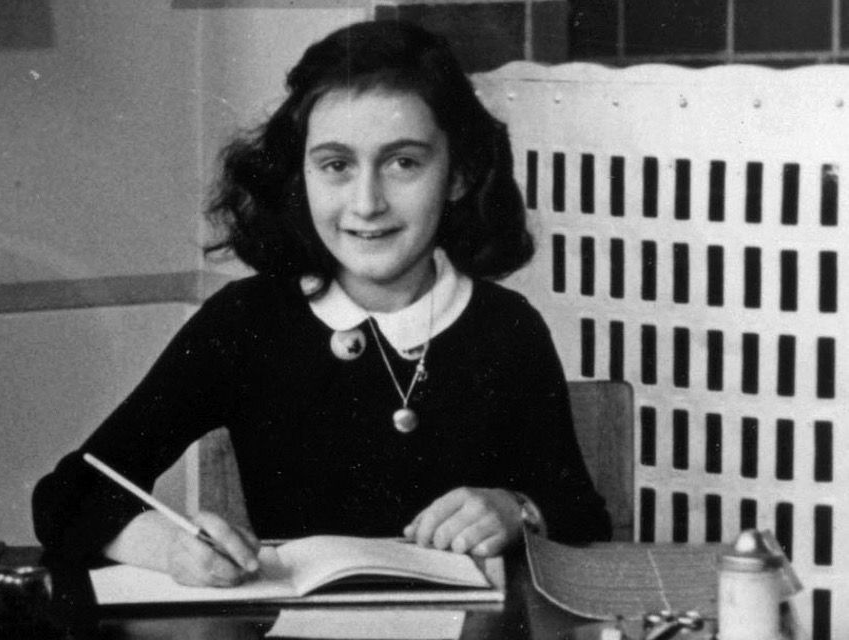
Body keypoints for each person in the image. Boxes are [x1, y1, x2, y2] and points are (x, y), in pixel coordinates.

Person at [32, 19, 611, 586]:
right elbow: (67, 495)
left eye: (404, 163)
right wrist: (169, 548)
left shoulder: (506, 328)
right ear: (299, 177)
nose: (367, 203)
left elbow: (584, 518)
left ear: (458, 174)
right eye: (336, 166)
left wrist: (516, 509)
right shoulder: (244, 323)